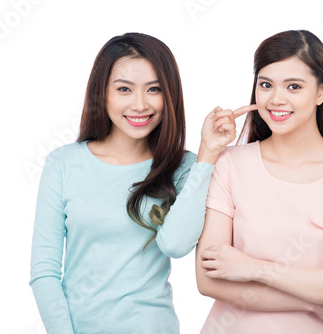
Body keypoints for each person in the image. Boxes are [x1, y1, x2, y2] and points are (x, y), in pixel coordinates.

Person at [29, 32, 255, 334]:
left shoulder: (187, 168)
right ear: (102, 93)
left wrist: (208, 154)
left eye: (154, 89)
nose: (140, 104)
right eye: (124, 89)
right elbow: (44, 272)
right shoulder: (63, 163)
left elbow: (174, 245)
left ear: (169, 95)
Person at [196, 30, 323, 334]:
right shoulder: (230, 163)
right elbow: (208, 279)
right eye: (266, 85)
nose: (276, 99)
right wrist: (314, 304)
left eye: (294, 86)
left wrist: (253, 268)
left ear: (322, 91)